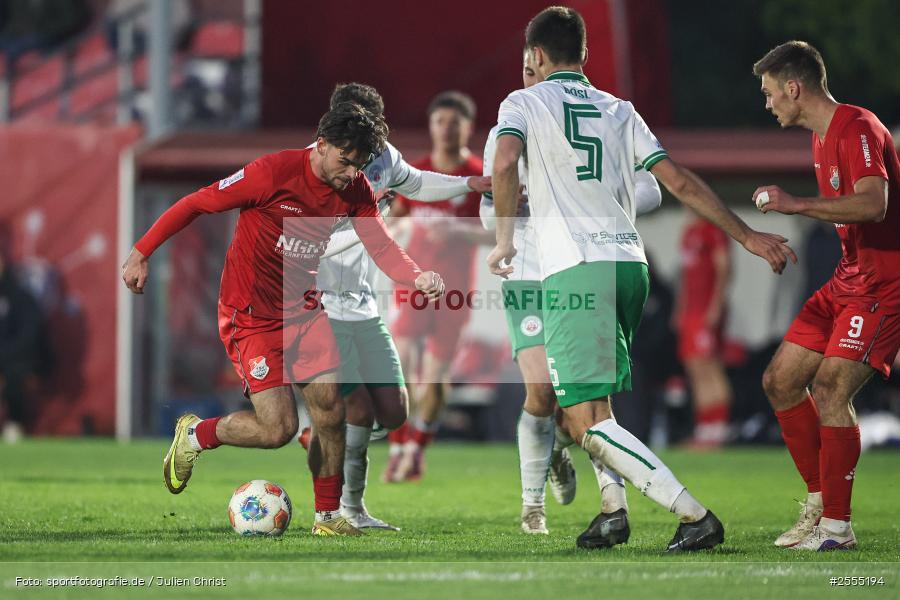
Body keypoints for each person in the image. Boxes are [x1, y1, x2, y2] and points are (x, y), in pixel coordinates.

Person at [487, 6, 796, 552]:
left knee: (583, 420)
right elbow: (675, 179)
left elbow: (505, 159)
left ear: (534, 56)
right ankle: (612, 512)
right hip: (630, 267)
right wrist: (746, 235)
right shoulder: (619, 109)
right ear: (582, 55)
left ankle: (694, 514)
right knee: (598, 407)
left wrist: (507, 238)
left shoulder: (524, 101)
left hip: (575, 270)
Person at [122, 102, 445, 537]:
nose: (351, 173)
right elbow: (197, 203)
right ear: (322, 144)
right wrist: (142, 251)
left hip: (306, 310)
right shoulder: (272, 172)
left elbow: (383, 247)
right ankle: (197, 435)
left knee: (330, 410)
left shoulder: (356, 190)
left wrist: (416, 275)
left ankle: (328, 519)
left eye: (360, 165)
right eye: (345, 161)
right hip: (250, 316)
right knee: (278, 429)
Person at [480, 48, 663, 537]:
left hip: (582, 266)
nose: (527, 74)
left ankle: (600, 492)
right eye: (520, 68)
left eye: (531, 65)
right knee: (541, 391)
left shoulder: (600, 116)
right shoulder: (512, 120)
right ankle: (533, 506)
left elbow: (651, 187)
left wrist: (606, 202)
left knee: (584, 401)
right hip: (529, 271)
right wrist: (511, 214)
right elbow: (486, 208)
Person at [306, 83, 491, 530]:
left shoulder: (384, 156)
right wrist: (372, 221)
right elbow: (307, 244)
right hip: (319, 305)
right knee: (357, 412)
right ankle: (344, 511)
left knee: (393, 411)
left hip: (364, 304)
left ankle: (323, 442)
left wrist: (469, 182)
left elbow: (417, 182)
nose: (365, 144)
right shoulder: (315, 164)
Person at [752, 41, 900, 551]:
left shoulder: (858, 126)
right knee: (780, 380)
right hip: (847, 280)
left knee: (833, 389)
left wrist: (795, 205)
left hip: (884, 285)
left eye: (771, 93)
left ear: (795, 88)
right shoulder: (819, 139)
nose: (768, 103)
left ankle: (838, 528)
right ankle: (818, 502)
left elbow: (874, 205)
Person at [384, 91, 495, 482]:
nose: (446, 129)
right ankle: (399, 446)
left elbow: (501, 233)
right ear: (431, 127)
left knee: (436, 377)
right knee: (401, 366)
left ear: (468, 126)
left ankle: (417, 447)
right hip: (413, 287)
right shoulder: (418, 176)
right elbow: (393, 221)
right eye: (440, 121)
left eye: (454, 122)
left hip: (455, 293)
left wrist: (458, 231)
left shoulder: (481, 178)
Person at [673, 209, 734, 449]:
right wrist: (680, 308)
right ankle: (704, 429)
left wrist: (716, 305)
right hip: (691, 311)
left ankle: (718, 429)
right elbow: (684, 276)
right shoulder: (689, 232)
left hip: (706, 309)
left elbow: (724, 268)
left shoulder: (713, 230)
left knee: (710, 365)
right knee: (694, 367)